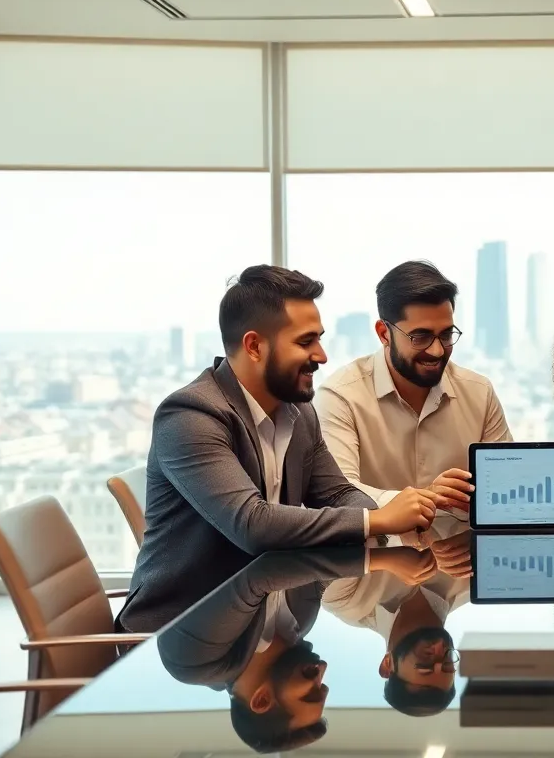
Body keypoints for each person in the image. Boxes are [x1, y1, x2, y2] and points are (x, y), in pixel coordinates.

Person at [118, 266, 436, 633]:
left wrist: (387, 526)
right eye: (305, 342)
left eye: (319, 339)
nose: (322, 356)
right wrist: (378, 520)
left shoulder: (298, 412)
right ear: (254, 346)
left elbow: (337, 493)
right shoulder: (191, 416)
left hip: (266, 620)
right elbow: (252, 524)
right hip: (177, 636)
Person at [318, 261, 511, 516]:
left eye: (446, 335)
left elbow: (507, 486)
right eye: (420, 337)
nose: (437, 350)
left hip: (463, 541)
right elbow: (338, 494)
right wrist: (425, 498)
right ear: (384, 334)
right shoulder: (341, 396)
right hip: (380, 542)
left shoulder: (479, 393)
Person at [157, 549, 369, 752]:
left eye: (310, 694)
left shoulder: (193, 661)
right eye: (322, 687)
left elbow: (260, 573)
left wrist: (372, 559)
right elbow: (335, 552)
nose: (322, 668)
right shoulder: (302, 619)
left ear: (262, 700)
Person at [322, 515, 473, 717]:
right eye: (447, 663)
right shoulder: (472, 582)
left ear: (388, 665)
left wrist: (390, 554)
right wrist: (482, 538)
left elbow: (331, 530)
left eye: (425, 664)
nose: (439, 648)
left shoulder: (347, 602)